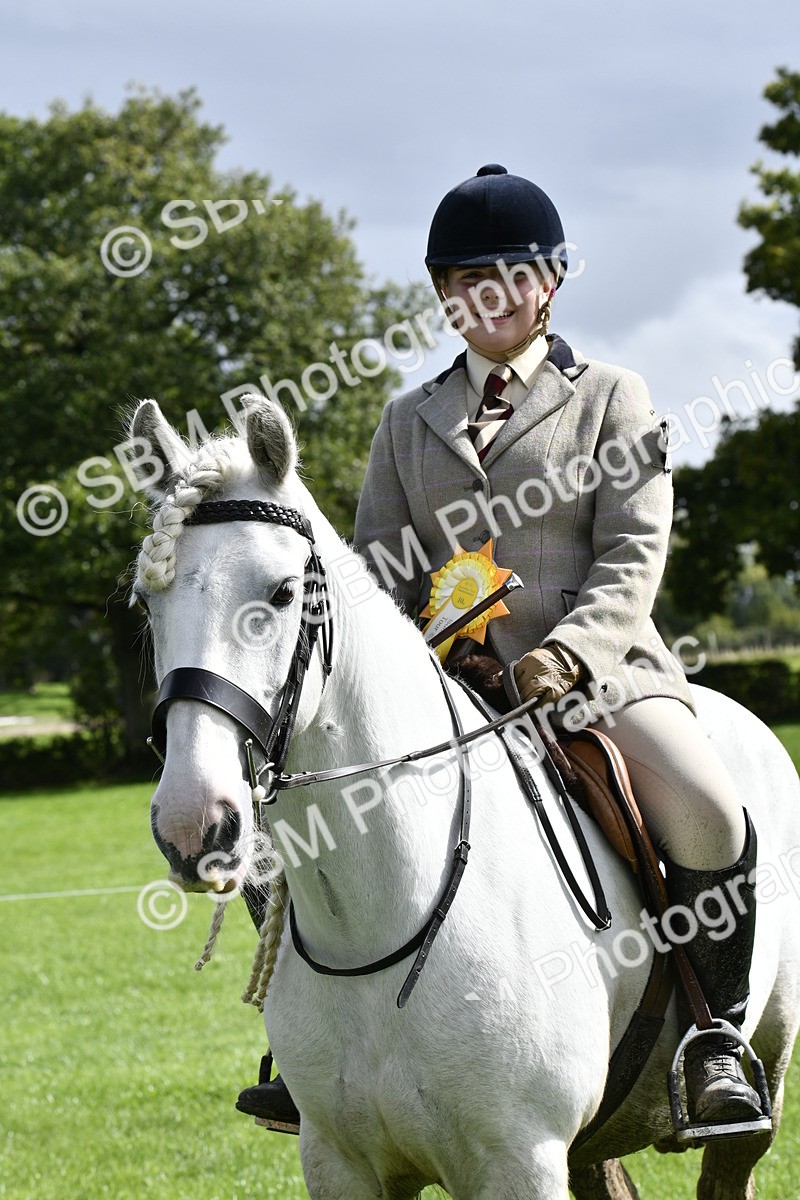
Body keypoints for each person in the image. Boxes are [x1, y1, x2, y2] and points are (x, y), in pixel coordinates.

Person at [236, 164, 765, 1136]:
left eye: (501, 275)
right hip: (444, 694)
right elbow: (374, 580)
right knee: (300, 823)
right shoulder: (406, 422)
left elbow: (631, 553)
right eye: (457, 282)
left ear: (547, 280)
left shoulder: (612, 396)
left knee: (706, 811)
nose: (479, 297)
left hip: (594, 679)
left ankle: (712, 1041)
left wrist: (563, 656)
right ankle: (301, 1048)